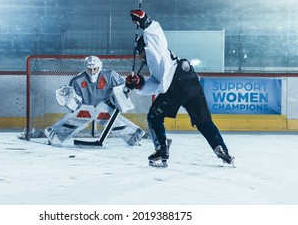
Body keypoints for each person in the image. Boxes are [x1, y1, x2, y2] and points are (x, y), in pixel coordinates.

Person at [125, 9, 234, 167]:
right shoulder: (159, 63)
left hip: (177, 84)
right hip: (192, 83)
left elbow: (157, 37)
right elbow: (156, 84)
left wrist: (145, 22)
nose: (139, 56)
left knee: (154, 117)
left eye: (139, 53)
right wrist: (139, 84)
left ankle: (162, 148)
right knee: (203, 121)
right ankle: (221, 149)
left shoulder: (155, 50)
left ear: (144, 48)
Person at [44, 55, 145, 146]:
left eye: (95, 69)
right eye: (89, 69)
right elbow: (75, 102)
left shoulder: (110, 75)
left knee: (108, 117)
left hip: (107, 105)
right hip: (87, 107)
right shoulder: (77, 80)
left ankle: (134, 137)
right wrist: (68, 100)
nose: (92, 72)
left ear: (100, 67)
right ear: (85, 68)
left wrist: (130, 85)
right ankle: (54, 136)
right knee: (77, 118)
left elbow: (123, 87)